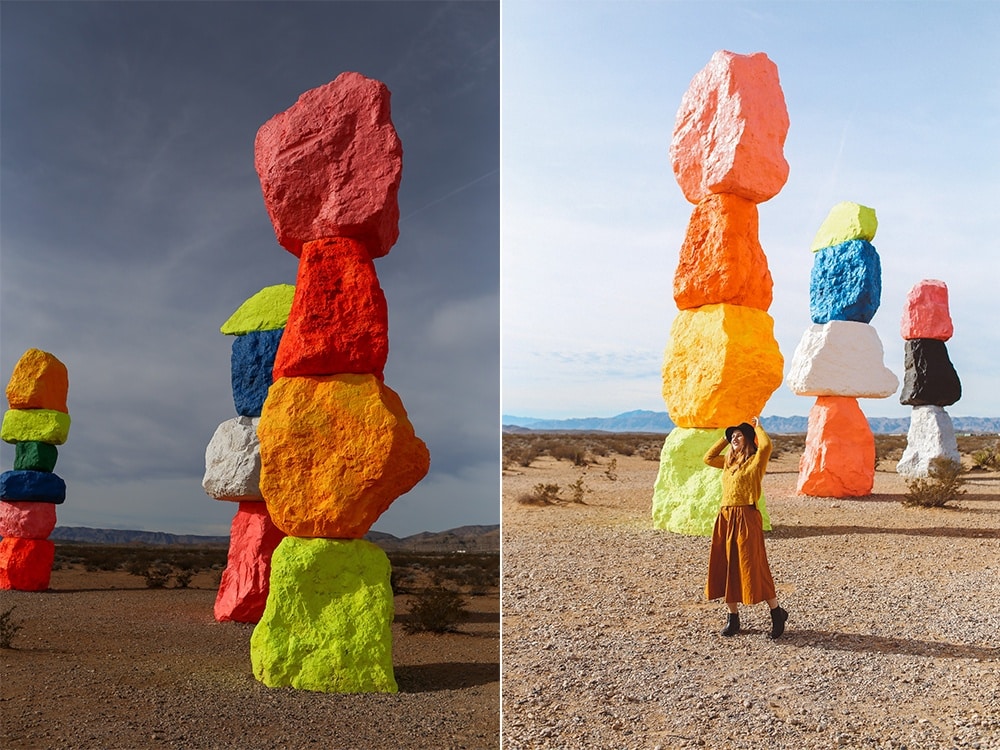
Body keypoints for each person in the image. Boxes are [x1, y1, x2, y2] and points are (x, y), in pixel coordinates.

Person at [702, 416, 788, 639]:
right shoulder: (728, 463)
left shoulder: (755, 461)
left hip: (747, 516)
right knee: (726, 564)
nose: (734, 438)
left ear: (749, 440)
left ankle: (776, 612)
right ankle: (733, 618)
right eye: (732, 436)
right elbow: (708, 457)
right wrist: (723, 437)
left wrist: (757, 427)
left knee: (754, 565)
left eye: (739, 435)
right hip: (726, 516)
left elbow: (767, 445)